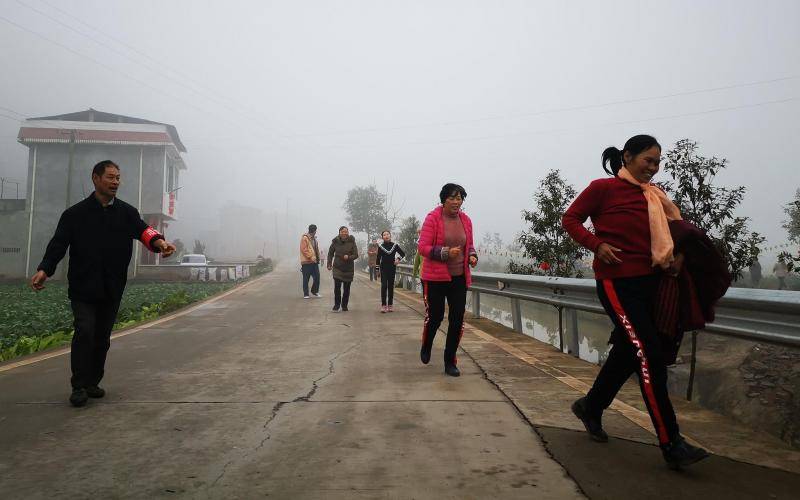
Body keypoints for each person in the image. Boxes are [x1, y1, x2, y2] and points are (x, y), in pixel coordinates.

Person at [562, 134, 709, 469]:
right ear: (627, 157)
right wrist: (596, 244)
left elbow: (677, 234)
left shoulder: (656, 196)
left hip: (654, 284)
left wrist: (680, 257)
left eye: (658, 163)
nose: (654, 169)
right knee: (649, 354)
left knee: (629, 352)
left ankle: (591, 406)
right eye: (648, 161)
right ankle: (671, 442)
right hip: (617, 283)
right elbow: (570, 219)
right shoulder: (602, 188)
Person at [30, 160, 176, 408]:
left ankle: (92, 382)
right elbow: (58, 245)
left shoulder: (126, 213)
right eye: (110, 177)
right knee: (85, 330)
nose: (115, 182)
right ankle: (78, 386)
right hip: (83, 286)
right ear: (95, 179)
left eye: (118, 177)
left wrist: (160, 243)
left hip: (112, 285)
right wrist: (45, 269)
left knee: (102, 337)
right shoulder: (75, 214)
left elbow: (144, 231)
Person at [418, 183, 478, 377]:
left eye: (459, 198)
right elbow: (423, 247)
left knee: (457, 320)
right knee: (435, 317)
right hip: (435, 278)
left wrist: (472, 256)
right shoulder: (433, 218)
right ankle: (427, 345)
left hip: (459, 278)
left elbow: (469, 245)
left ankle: (449, 360)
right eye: (452, 198)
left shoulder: (466, 220)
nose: (456, 202)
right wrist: (444, 252)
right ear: (444, 200)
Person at [327, 226, 359, 312]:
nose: (344, 233)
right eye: (342, 231)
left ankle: (344, 305)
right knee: (337, 288)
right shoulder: (335, 242)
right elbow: (330, 253)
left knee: (346, 288)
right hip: (337, 267)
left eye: (346, 231)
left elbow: (356, 255)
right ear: (339, 232)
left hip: (348, 269)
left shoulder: (352, 241)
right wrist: (329, 264)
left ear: (348, 233)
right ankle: (337, 305)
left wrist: (348, 257)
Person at [375, 230, 406, 312]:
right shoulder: (380, 246)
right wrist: (377, 270)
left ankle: (390, 304)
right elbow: (378, 259)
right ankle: (383, 305)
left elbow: (403, 253)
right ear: (382, 237)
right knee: (384, 285)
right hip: (383, 268)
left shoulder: (395, 245)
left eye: (387, 234)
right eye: (384, 235)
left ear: (390, 236)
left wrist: (398, 259)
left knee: (391, 286)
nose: (386, 236)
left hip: (392, 268)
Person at [300, 224, 322, 298]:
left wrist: (318, 258)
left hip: (314, 262)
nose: (315, 232)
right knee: (306, 278)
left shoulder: (315, 239)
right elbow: (304, 250)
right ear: (314, 230)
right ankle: (306, 294)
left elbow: (316, 250)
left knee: (317, 277)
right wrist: (310, 257)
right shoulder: (304, 238)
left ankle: (314, 291)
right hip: (306, 262)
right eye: (315, 230)